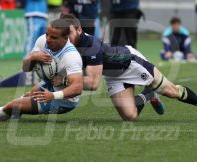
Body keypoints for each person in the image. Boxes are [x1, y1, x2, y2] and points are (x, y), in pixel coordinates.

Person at [57, 14, 197, 121]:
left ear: (79, 30)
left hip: (130, 62)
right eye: (62, 34)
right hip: (113, 75)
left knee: (172, 91)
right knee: (130, 116)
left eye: (68, 34)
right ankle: (149, 93)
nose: (65, 38)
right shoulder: (63, 45)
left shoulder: (90, 45)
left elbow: (93, 83)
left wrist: (63, 81)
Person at [0, 19, 83, 121]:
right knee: (25, 97)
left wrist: (53, 96)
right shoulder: (42, 40)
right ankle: (16, 112)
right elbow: (26, 68)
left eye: (53, 37)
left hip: (64, 100)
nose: (48, 39)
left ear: (65, 39)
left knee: (12, 105)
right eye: (47, 34)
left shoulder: (71, 56)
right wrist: (32, 57)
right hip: (49, 84)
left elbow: (77, 87)